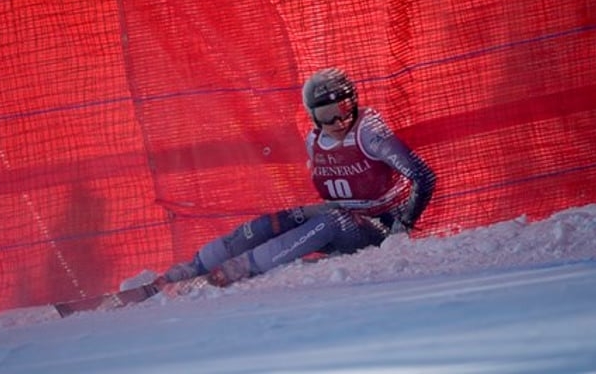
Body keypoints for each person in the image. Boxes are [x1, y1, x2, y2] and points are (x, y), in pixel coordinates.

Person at [157, 67, 436, 288]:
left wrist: (402, 227)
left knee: (332, 219)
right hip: (344, 220)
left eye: (346, 110)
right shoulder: (313, 140)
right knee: (287, 217)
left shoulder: (368, 131)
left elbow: (424, 175)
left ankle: (240, 268)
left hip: (378, 228)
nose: (339, 122)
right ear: (313, 116)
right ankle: (194, 266)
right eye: (328, 116)